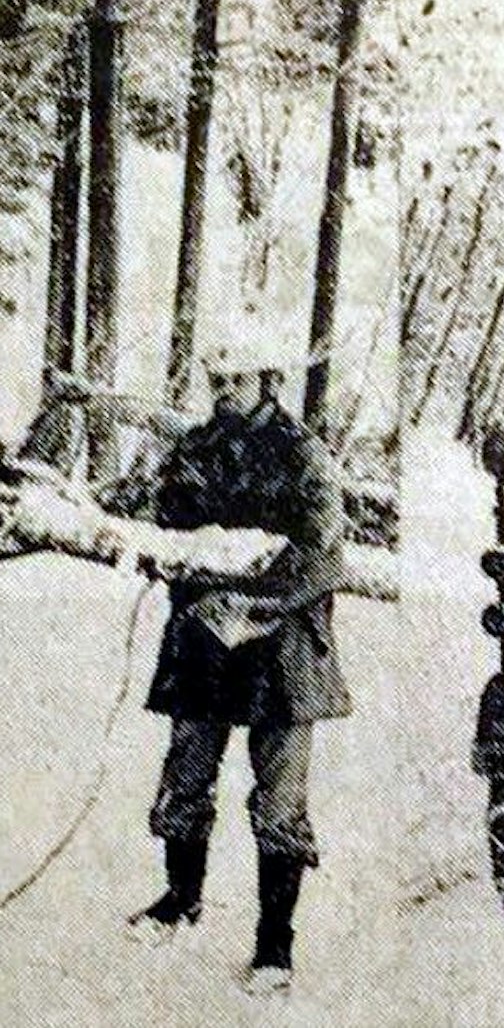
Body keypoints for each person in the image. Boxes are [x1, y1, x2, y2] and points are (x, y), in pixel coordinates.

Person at [126, 336, 350, 996]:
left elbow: (323, 551)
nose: (222, 391)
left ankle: (274, 945)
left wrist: (259, 602)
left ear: (268, 380)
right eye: (215, 379)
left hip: (281, 650)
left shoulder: (306, 455)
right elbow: (166, 525)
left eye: (235, 380)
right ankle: (179, 897)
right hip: (202, 642)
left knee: (280, 803)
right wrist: (169, 555)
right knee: (186, 776)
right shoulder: (194, 448)